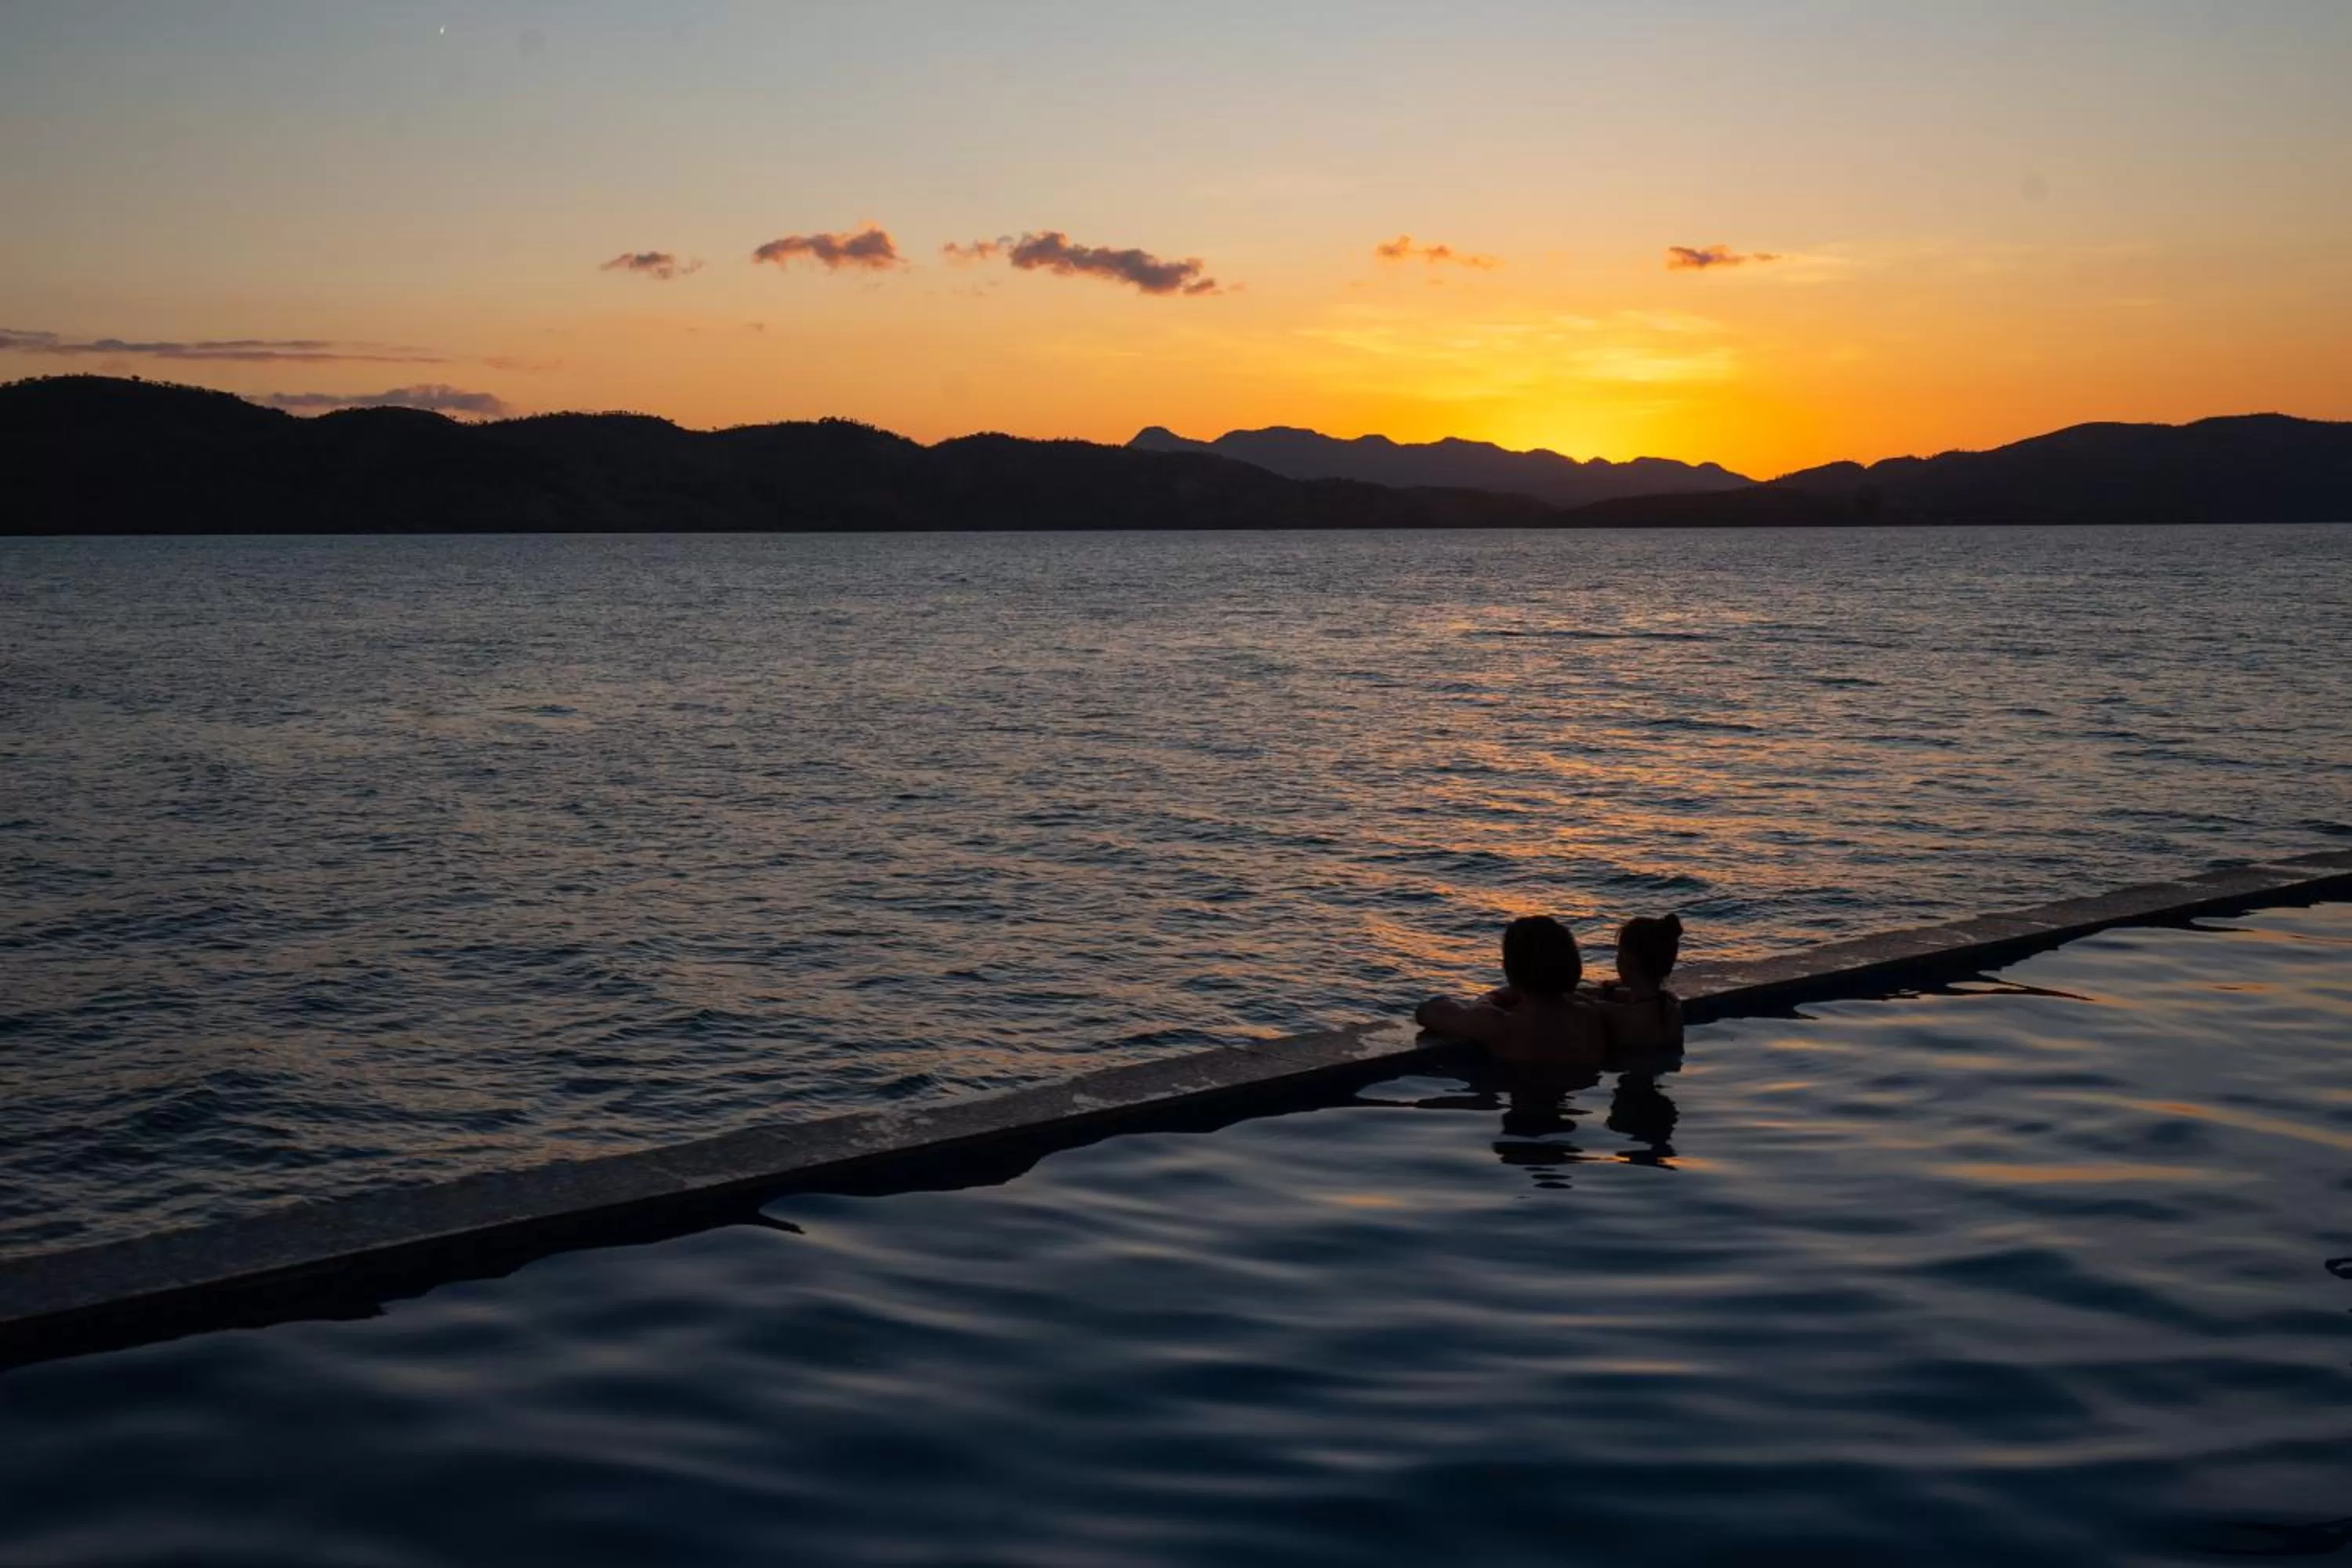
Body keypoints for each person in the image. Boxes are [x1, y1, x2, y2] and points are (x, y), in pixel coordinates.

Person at [1415, 915, 1607, 1069]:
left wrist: (1488, 1000)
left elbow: (1427, 1012)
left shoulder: (1500, 1025)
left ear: (1510, 969)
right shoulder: (1590, 1017)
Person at [1589, 913, 1685, 1055]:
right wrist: (1609, 991)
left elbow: (1579, 1002)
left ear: (1629, 960)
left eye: (1619, 954)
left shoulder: (1614, 1014)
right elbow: (1640, 999)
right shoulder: (1671, 1009)